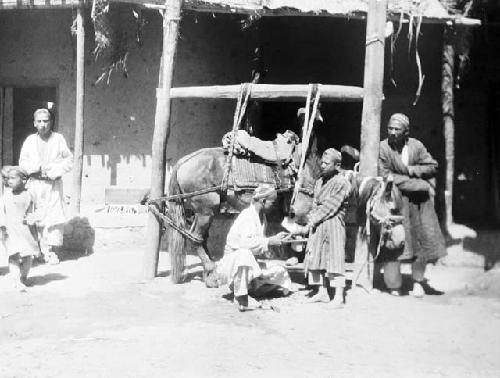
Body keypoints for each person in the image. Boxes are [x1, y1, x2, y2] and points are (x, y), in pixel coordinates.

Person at [378, 113, 446, 297]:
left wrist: (409, 170)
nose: (392, 132)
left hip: (419, 204)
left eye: (397, 129)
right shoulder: (383, 148)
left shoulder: (416, 146)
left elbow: (432, 166)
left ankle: (418, 281)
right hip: (396, 201)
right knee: (394, 242)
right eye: (390, 128)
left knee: (421, 243)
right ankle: (394, 284)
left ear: (405, 131)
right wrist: (420, 184)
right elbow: (386, 176)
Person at [207, 184, 292, 312]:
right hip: (233, 264)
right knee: (244, 254)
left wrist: (275, 238)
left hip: (248, 264)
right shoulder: (247, 216)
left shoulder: (261, 217)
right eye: (272, 202)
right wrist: (270, 241)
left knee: (280, 271)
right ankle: (241, 297)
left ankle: (250, 288)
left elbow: (258, 243)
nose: (273, 205)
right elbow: (245, 244)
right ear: (263, 201)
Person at [292, 148, 351, 308]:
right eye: (322, 163)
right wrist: (309, 222)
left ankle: (338, 297)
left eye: (326, 163)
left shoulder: (342, 183)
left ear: (337, 165)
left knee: (334, 260)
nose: (323, 166)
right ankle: (322, 292)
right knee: (316, 257)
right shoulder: (319, 182)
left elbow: (328, 207)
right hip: (318, 226)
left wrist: (309, 224)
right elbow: (315, 205)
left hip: (333, 224)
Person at [19, 108, 73, 264]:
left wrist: (55, 171)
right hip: (35, 184)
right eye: (40, 121)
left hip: (53, 184)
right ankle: (37, 251)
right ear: (35, 123)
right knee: (35, 217)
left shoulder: (58, 139)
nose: (43, 124)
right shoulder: (30, 140)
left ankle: (50, 252)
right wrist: (34, 168)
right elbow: (23, 161)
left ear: (51, 122)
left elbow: (68, 160)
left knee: (53, 217)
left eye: (46, 121)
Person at [0, 167, 41, 291]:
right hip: (10, 230)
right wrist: (2, 225)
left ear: (23, 179)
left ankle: (23, 277)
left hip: (26, 230)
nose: (9, 181)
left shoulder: (30, 194)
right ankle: (16, 281)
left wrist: (33, 217)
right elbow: (1, 211)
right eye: (8, 179)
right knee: (13, 256)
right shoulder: (6, 195)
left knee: (28, 256)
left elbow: (39, 209)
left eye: (13, 178)